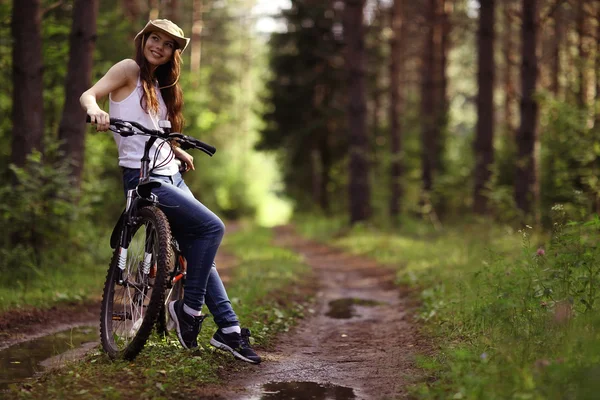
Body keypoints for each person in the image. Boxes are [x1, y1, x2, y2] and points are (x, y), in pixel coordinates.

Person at [79, 19, 261, 364]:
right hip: (144, 178)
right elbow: (89, 94)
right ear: (143, 39)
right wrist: (96, 111)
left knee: (200, 250)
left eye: (167, 44)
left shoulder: (159, 85)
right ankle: (188, 310)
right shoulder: (128, 69)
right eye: (154, 38)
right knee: (213, 228)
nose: (158, 46)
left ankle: (229, 331)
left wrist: (175, 149)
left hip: (171, 174)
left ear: (173, 53)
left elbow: (152, 130)